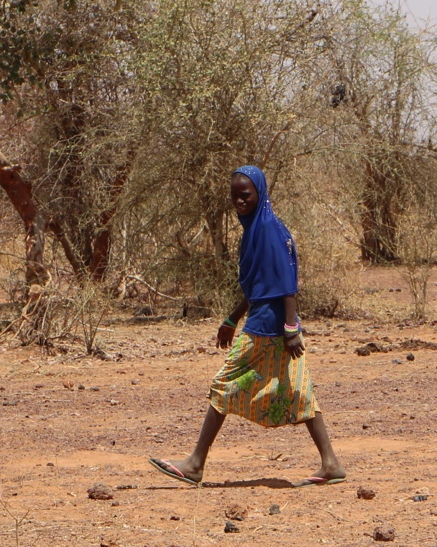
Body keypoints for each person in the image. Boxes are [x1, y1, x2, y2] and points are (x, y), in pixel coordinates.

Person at [149, 166, 347, 487]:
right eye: (234, 196)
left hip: (268, 325)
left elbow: (286, 280)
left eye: (246, 195)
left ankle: (196, 463)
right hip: (266, 319)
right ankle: (331, 463)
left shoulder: (268, 228)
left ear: (259, 193)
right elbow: (258, 285)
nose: (239, 201)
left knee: (223, 382)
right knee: (298, 390)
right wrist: (232, 317)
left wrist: (291, 325)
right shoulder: (257, 227)